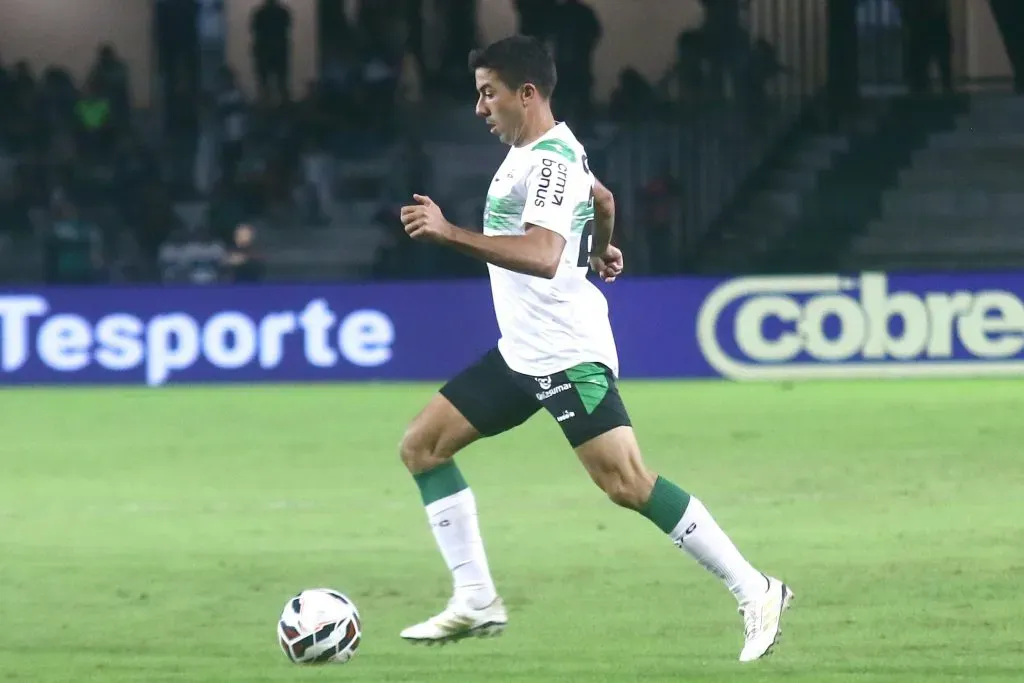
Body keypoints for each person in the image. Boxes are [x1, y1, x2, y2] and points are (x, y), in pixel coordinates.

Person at [396, 35, 793, 663]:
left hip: (567, 355)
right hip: (520, 354)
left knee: (627, 483)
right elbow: (601, 200)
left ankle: (758, 589)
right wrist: (601, 245)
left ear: (526, 94)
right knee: (422, 447)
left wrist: (451, 234)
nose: (480, 109)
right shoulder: (542, 154)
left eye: (488, 94)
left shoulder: (549, 159)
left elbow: (544, 255)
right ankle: (475, 598)